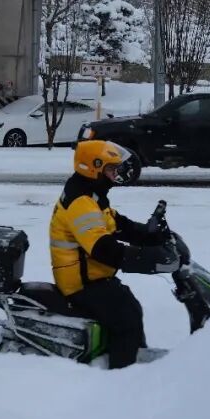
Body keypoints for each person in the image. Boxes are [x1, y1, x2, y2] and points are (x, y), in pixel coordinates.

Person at [49, 139, 175, 369]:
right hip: (81, 282)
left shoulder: (91, 194)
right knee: (126, 317)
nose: (115, 173)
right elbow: (101, 248)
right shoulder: (81, 202)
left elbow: (114, 222)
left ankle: (132, 359)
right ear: (93, 167)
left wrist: (148, 235)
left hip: (91, 275)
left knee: (130, 307)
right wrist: (144, 258)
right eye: (110, 168)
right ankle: (123, 373)